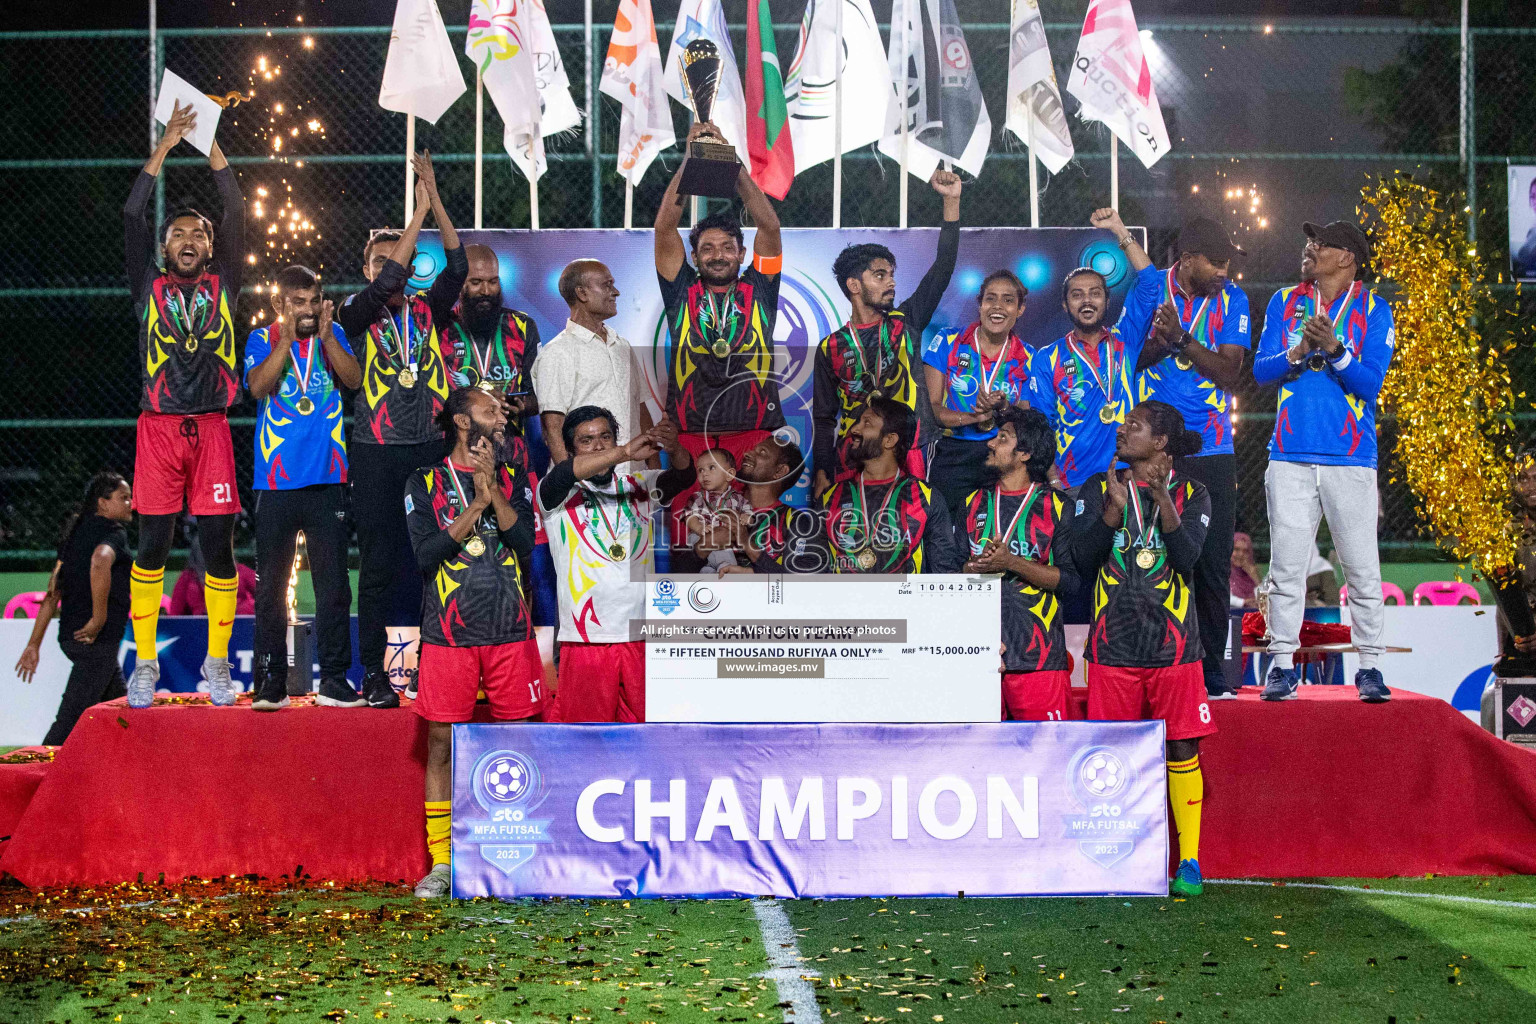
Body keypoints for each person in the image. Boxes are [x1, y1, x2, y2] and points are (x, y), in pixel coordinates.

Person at [122, 101, 245, 708]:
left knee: (218, 549)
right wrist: (166, 146)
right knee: (150, 547)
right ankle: (144, 665)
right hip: (158, 432)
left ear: (211, 246)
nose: (189, 240)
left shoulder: (225, 283)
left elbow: (237, 207)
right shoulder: (148, 288)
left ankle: (218, 667)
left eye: (199, 233)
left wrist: (209, 143)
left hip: (215, 429)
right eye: (178, 235)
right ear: (166, 249)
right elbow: (131, 214)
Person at [336, 152, 467, 709]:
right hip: (375, 452)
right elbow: (390, 272)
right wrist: (412, 218)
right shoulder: (355, 309)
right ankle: (373, 678)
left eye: (403, 260)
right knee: (380, 564)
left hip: (430, 448)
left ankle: (433, 671)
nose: (392, 268)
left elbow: (456, 268)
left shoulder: (427, 310)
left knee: (433, 560)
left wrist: (433, 198)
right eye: (381, 262)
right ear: (367, 270)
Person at [1071, 401, 1213, 897]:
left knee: (1181, 747)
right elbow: (1081, 561)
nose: (1121, 429)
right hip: (1112, 648)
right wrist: (1110, 513)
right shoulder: (1097, 487)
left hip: (1174, 649)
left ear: (1160, 443)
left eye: (1134, 426)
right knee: (1112, 755)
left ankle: (1189, 861)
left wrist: (1164, 502)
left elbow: (1188, 558)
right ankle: (1117, 856)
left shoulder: (1195, 493)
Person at [405, 387, 540, 900]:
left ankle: (519, 853)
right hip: (449, 636)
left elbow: (526, 543)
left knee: (520, 745)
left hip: (510, 632)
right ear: (463, 422)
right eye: (490, 410)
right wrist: (476, 503)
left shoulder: (513, 477)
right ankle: (442, 863)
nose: (500, 417)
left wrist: (494, 493)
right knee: (441, 746)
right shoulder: (424, 481)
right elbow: (426, 554)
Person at [1252, 220, 1395, 703]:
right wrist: (1299, 350)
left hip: (1351, 457)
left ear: (1347, 259)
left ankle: (1371, 666)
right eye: (1309, 240)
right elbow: (1261, 370)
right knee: (1286, 568)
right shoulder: (1284, 302)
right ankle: (1281, 664)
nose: (1310, 248)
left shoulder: (1375, 309)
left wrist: (1334, 350)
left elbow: (1371, 384)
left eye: (1322, 243)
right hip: (1289, 455)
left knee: (1361, 567)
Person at [1137, 217, 1251, 699]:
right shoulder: (1149, 289)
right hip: (1153, 446)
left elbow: (1230, 371)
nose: (1225, 270)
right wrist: (1156, 343)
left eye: (1228, 262)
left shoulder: (1233, 299)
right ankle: (1149, 660)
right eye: (1216, 261)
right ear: (1187, 261)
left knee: (1210, 560)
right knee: (1147, 556)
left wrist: (1181, 340)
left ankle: (1210, 676)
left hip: (1212, 448)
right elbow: (1125, 358)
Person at [243, 264, 362, 710]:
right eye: (298, 302)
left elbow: (354, 381)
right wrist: (288, 338)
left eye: (314, 301)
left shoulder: (332, 339)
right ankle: (271, 682)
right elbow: (258, 386)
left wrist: (329, 336)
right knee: (271, 585)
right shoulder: (262, 338)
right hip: (275, 483)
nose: (308, 310)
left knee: (334, 585)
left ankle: (333, 679)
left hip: (329, 481)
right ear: (279, 304)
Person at [538, 408, 695, 722]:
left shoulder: (638, 485)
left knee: (645, 736)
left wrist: (674, 448)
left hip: (639, 635)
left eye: (605, 437)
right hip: (587, 640)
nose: (598, 445)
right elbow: (564, 473)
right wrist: (622, 453)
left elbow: (683, 476)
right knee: (585, 740)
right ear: (570, 451)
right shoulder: (556, 493)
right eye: (587, 441)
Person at [813, 170, 964, 495]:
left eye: (892, 274)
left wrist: (951, 202)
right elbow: (824, 418)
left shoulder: (907, 320)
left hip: (912, 450)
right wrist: (823, 469)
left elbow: (944, 265)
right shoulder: (830, 347)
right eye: (879, 275)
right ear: (854, 285)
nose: (891, 281)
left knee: (910, 533)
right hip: (855, 453)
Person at [656, 122, 785, 450]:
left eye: (728, 248)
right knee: (691, 505)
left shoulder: (760, 288)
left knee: (757, 505)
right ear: (695, 257)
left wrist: (731, 162)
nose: (718, 256)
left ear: (742, 254)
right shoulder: (680, 289)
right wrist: (691, 160)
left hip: (755, 430)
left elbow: (769, 227)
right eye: (707, 249)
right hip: (690, 433)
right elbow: (664, 228)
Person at [957, 407, 1079, 722]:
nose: (991, 444)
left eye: (1003, 438)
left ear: (1024, 453)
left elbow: (1070, 580)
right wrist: (972, 569)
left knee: (1047, 759)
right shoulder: (972, 503)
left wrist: (1010, 562)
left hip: (1038, 659)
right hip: (978, 657)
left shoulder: (1057, 506)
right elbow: (951, 574)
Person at [1029, 208, 1161, 493]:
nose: (1086, 301)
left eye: (1095, 293)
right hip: (1073, 483)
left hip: (1127, 476)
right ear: (1065, 305)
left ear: (1106, 300)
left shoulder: (1125, 339)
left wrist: (1118, 229)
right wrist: (1054, 482)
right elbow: (1041, 428)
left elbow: (1151, 284)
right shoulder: (1047, 358)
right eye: (1077, 295)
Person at [14, 474, 134, 743]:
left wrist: (34, 644)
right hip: (95, 641)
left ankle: (131, 771)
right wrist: (99, 619)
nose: (130, 503)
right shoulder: (113, 533)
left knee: (123, 715)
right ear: (102, 503)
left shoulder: (74, 532)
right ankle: (37, 777)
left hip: (71, 637)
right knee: (67, 724)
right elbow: (101, 560)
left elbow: (52, 592)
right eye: (123, 497)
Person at [923, 270, 1034, 512]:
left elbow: (1027, 420)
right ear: (980, 304)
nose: (998, 307)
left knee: (996, 532)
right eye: (990, 298)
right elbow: (930, 409)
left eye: (1008, 300)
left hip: (1003, 457)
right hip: (953, 454)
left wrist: (1004, 408)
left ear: (1020, 309)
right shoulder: (948, 341)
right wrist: (974, 418)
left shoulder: (1029, 356)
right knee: (946, 535)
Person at [821, 398, 962, 574]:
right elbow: (814, 572)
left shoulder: (926, 498)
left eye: (867, 423)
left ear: (889, 440)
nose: (854, 429)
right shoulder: (830, 497)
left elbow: (945, 572)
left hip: (904, 600)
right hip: (847, 601)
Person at [533, 260, 650, 466]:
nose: (616, 292)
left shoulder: (622, 345)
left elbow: (640, 409)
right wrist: (568, 483)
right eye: (607, 285)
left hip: (634, 480)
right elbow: (553, 429)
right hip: (587, 485)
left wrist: (653, 469)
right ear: (582, 293)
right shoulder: (557, 353)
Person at [445, 244, 541, 475]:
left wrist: (517, 406)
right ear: (459, 285)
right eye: (476, 282)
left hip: (510, 455)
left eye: (493, 281)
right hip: (454, 455)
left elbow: (539, 397)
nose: (486, 290)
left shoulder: (522, 326)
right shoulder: (440, 328)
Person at [720, 435, 827, 575]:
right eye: (753, 450)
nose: (747, 453)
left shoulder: (796, 521)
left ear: (780, 471)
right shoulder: (723, 507)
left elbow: (804, 581)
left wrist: (747, 546)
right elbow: (687, 566)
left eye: (762, 452)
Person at [681, 448, 753, 575]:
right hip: (700, 537)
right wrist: (698, 527)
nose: (705, 474)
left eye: (711, 467)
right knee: (715, 544)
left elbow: (749, 513)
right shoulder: (697, 497)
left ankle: (709, 571)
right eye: (700, 470)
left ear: (729, 474)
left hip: (726, 540)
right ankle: (726, 568)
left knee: (723, 546)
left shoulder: (738, 498)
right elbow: (689, 516)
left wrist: (746, 517)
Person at [1230, 531, 1260, 609]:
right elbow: (1223, 597)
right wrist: (1243, 602)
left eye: (1245, 551)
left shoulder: (1251, 572)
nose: (1241, 554)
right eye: (1236, 549)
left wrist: (1255, 578)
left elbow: (1264, 600)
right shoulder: (1223, 572)